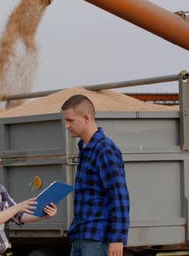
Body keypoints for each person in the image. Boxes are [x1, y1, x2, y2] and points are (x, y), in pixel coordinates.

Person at [61, 94, 130, 256]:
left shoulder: (105, 150)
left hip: (98, 239)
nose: (66, 126)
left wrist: (117, 238)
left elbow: (119, 196)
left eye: (70, 120)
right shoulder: (85, 148)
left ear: (86, 118)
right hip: (81, 235)